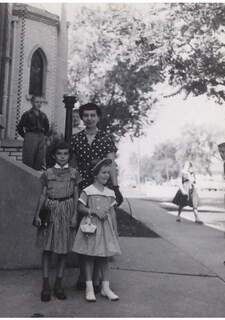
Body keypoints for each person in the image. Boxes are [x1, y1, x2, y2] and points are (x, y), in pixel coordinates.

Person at [71, 102, 123, 291]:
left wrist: (116, 187)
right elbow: (74, 166)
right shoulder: (76, 139)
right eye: (86, 115)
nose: (89, 118)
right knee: (84, 231)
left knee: (102, 232)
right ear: (82, 117)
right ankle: (83, 276)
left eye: (93, 115)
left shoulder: (106, 138)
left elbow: (111, 165)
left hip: (103, 190)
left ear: (98, 117)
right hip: (85, 190)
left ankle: (99, 277)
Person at [33, 141, 81, 301]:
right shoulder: (47, 173)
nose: (62, 157)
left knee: (63, 249)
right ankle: (46, 284)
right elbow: (43, 195)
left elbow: (76, 195)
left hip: (67, 210)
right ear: (54, 155)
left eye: (65, 154)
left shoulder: (74, 173)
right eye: (59, 153)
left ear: (69, 155)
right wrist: (38, 214)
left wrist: (75, 215)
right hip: (50, 210)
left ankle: (59, 283)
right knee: (47, 249)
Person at [73, 158, 121, 302]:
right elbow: (80, 207)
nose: (106, 175)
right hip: (91, 228)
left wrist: (115, 230)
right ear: (95, 174)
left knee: (104, 258)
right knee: (89, 256)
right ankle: (89, 288)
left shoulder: (110, 193)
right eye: (103, 172)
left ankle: (105, 288)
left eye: (108, 173)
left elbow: (112, 213)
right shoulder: (88, 191)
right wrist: (92, 211)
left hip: (105, 229)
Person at [17, 95, 50, 170]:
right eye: (37, 102)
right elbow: (19, 127)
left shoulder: (43, 116)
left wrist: (44, 136)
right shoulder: (27, 114)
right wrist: (26, 136)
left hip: (41, 137)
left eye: (40, 102)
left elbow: (47, 127)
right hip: (30, 136)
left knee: (39, 158)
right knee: (29, 159)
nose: (39, 104)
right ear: (32, 103)